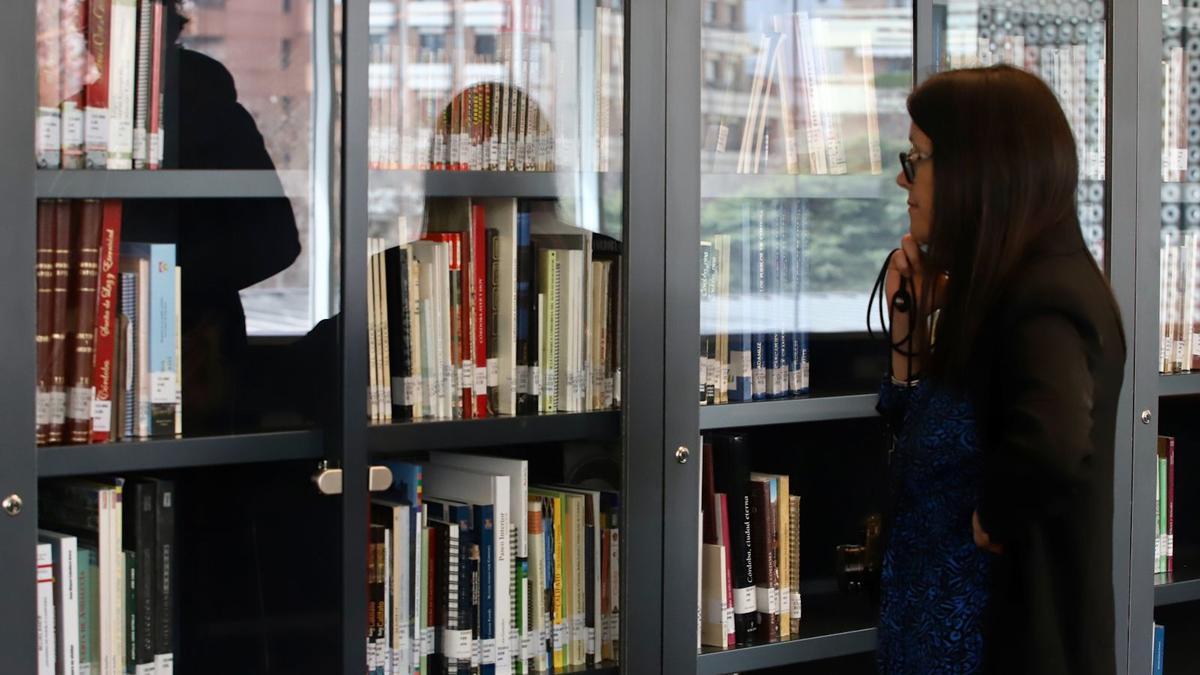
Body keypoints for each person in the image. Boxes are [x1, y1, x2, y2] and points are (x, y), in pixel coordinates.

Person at [874, 64, 1125, 674]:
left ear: (979, 169)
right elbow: (922, 458)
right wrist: (910, 331)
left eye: (919, 156)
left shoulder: (1042, 296)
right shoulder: (997, 290)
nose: (903, 176)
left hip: (992, 650)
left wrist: (995, 517)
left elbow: (1053, 443)